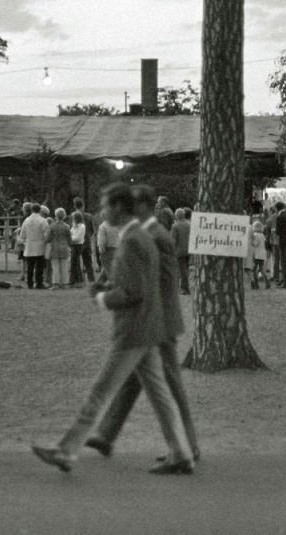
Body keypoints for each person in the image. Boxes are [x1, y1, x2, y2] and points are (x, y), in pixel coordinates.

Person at [31, 183, 195, 475]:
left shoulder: (134, 240)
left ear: (119, 207)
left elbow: (134, 292)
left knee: (100, 391)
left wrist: (101, 297)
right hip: (148, 328)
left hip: (133, 330)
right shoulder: (141, 237)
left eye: (106, 205)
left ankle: (66, 451)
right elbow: (143, 284)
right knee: (160, 395)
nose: (103, 211)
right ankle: (181, 452)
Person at [83, 185, 200, 465]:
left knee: (170, 386)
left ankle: (188, 447)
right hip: (155, 319)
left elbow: (152, 283)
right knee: (133, 380)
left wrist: (112, 292)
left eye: (134, 205)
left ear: (146, 207)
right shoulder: (151, 233)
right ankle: (106, 434)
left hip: (157, 320)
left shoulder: (154, 235)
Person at [19, 202, 49, 289]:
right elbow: (47, 234)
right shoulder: (43, 221)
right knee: (39, 267)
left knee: (30, 267)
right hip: (40, 245)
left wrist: (25, 241)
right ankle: (39, 283)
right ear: (40, 210)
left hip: (29, 245)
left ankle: (30, 283)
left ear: (32, 210)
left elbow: (22, 235)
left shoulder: (26, 220)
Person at [74, 198, 96, 282]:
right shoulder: (89, 216)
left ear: (75, 206)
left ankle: (79, 279)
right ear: (83, 205)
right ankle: (91, 279)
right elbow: (91, 230)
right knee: (88, 262)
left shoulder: (73, 215)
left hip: (76, 241)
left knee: (76, 262)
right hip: (86, 240)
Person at [49, 208, 71, 289]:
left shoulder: (52, 226)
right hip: (64, 247)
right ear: (64, 216)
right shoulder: (67, 226)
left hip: (54, 247)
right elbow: (69, 239)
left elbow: (48, 238)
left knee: (55, 267)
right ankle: (64, 283)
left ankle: (56, 283)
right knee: (64, 266)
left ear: (56, 216)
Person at [171, 208, 192, 295]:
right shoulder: (189, 224)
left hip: (179, 251)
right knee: (185, 269)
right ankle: (182, 287)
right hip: (188, 249)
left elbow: (173, 240)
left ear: (176, 215)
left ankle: (184, 289)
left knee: (181, 270)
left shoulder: (175, 226)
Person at [97, 214, 120, 280]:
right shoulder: (117, 225)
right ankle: (98, 285)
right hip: (117, 249)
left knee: (109, 272)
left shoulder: (103, 226)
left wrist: (101, 251)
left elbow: (102, 241)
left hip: (108, 251)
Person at [249, 220, 270, 290]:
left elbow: (256, 244)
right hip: (262, 253)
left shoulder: (255, 235)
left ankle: (256, 284)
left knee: (254, 269)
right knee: (261, 268)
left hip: (256, 254)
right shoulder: (262, 235)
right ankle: (267, 281)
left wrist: (251, 242)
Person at [69, 212, 87, 286]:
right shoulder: (74, 226)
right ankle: (76, 279)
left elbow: (78, 238)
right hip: (73, 245)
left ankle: (76, 279)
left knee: (74, 262)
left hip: (78, 245)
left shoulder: (82, 226)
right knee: (74, 262)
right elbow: (70, 233)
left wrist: (71, 238)